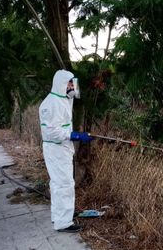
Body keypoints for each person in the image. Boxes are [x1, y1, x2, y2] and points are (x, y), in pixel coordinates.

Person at [39, 69, 94, 233]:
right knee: (64, 184)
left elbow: (62, 124)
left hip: (61, 148)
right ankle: (64, 222)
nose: (73, 87)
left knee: (58, 183)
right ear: (62, 83)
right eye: (71, 83)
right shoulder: (51, 103)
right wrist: (74, 135)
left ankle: (60, 215)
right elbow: (50, 131)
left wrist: (73, 135)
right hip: (56, 149)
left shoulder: (62, 99)